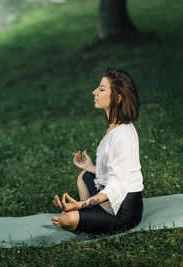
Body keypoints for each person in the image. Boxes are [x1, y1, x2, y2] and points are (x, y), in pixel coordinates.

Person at [50, 66, 144, 235]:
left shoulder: (121, 136)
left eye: (101, 89)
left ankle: (78, 220)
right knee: (85, 175)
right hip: (113, 196)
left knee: (66, 219)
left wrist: (80, 205)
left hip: (123, 211)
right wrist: (89, 165)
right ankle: (84, 218)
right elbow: (115, 170)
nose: (94, 92)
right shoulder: (115, 126)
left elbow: (117, 186)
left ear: (117, 98)